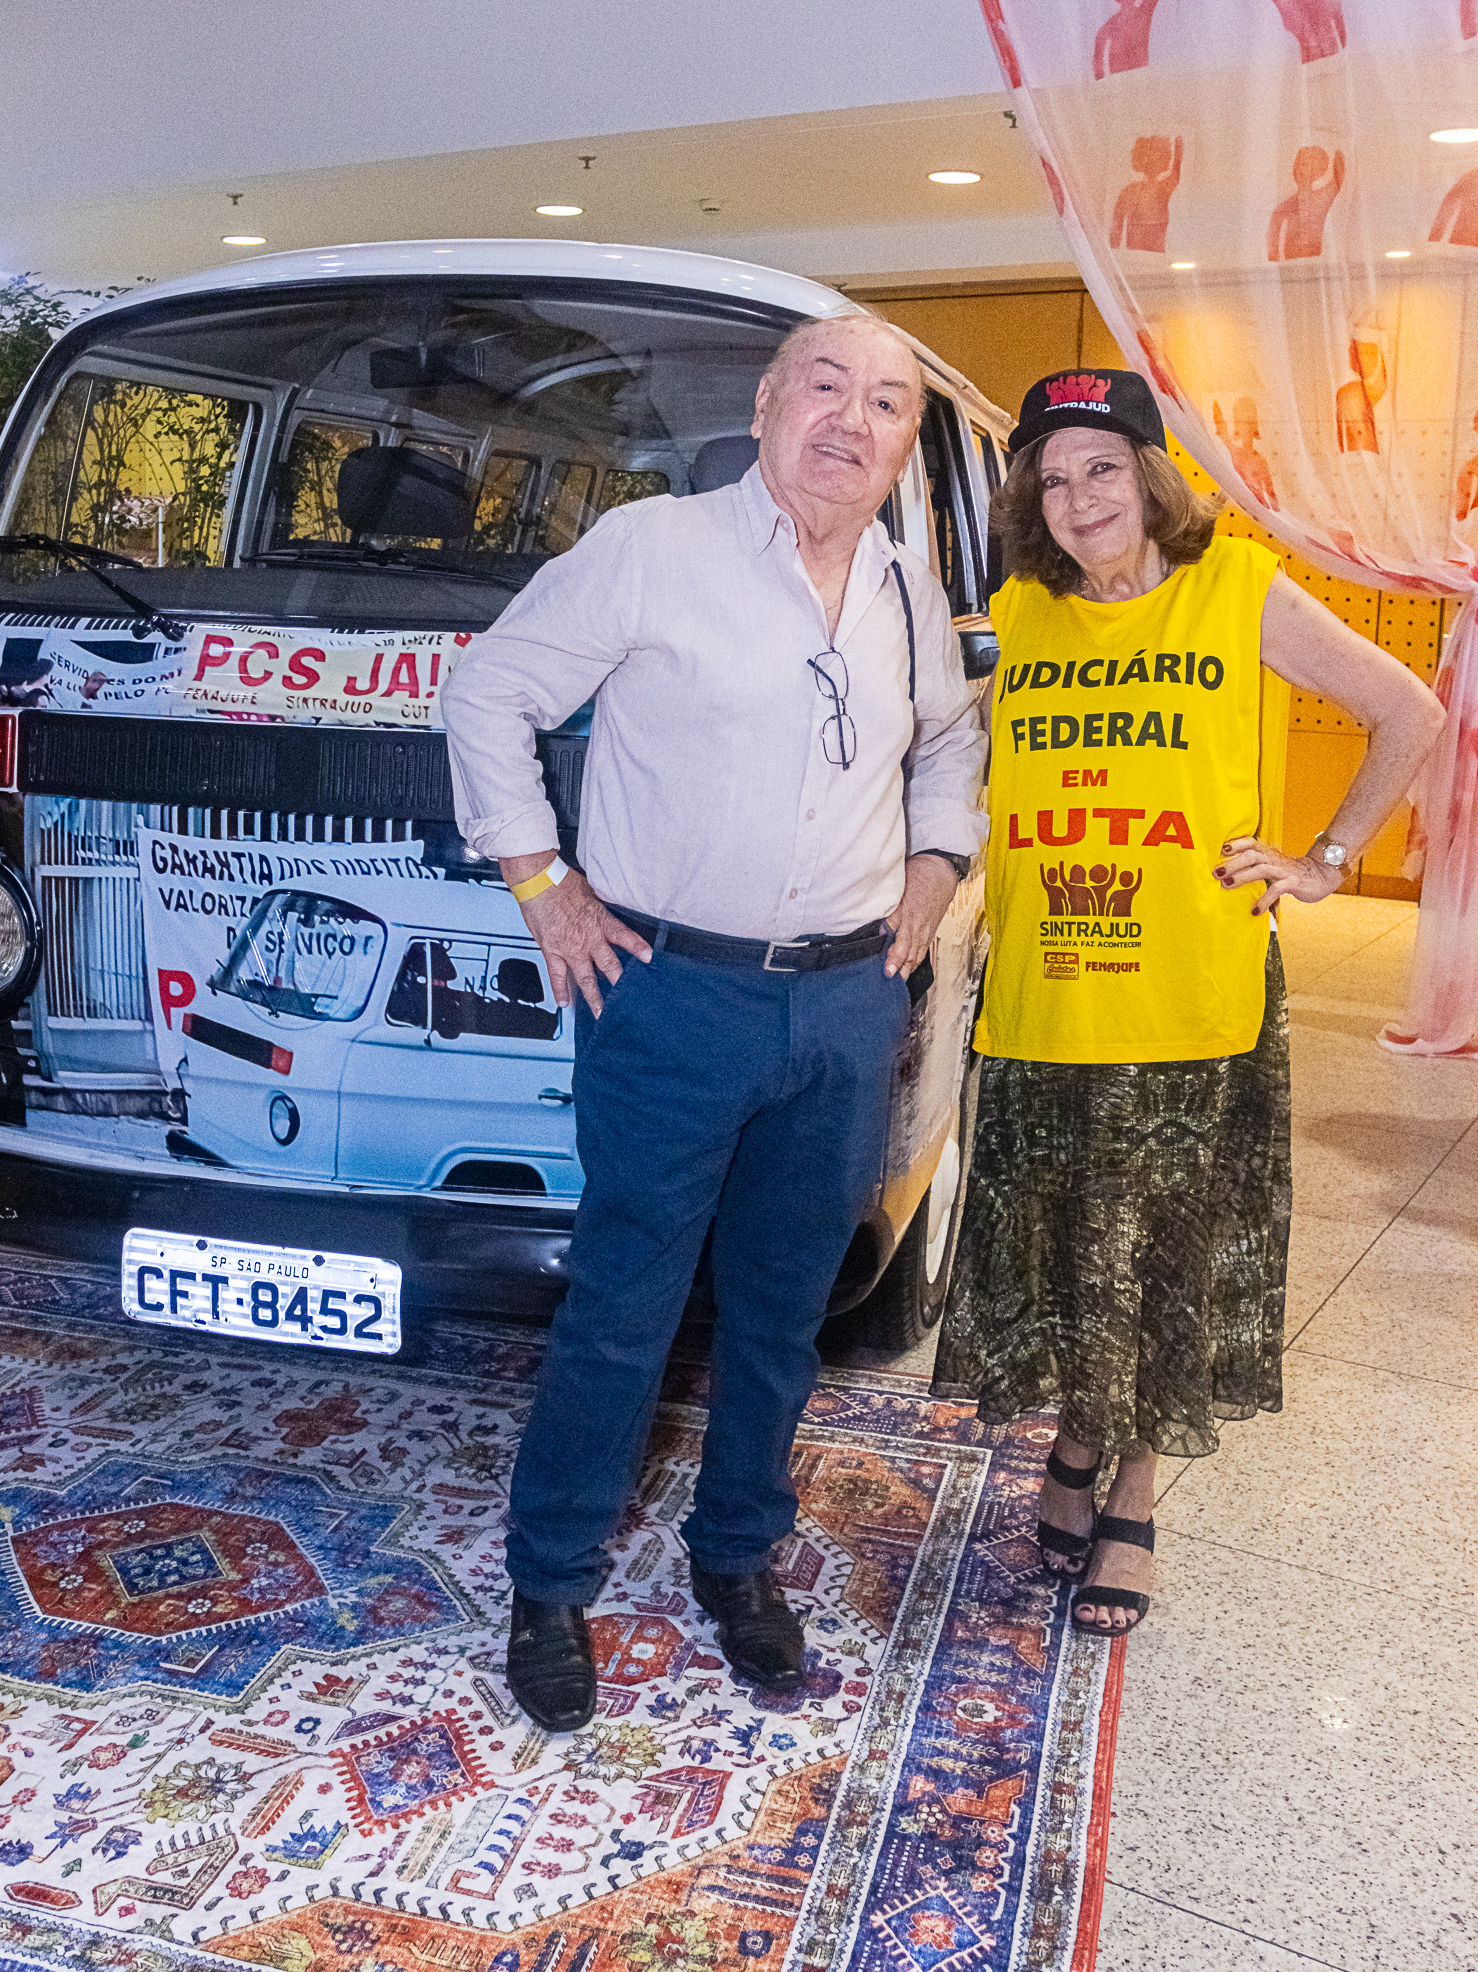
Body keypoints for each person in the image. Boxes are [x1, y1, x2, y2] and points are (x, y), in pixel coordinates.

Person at [443, 312, 988, 1729]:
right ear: (763, 406)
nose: (851, 420)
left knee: (782, 1315)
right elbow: (490, 690)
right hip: (669, 994)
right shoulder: (654, 548)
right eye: (826, 386)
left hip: (842, 1004)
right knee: (623, 1305)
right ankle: (549, 1580)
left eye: (886, 402)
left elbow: (949, 741)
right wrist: (541, 881)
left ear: (903, 443)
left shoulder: (906, 590)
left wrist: (935, 871)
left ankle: (737, 1555)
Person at [934, 368, 1443, 1636]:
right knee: (1064, 1239)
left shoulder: (1236, 589)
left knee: (1164, 1250)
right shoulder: (1018, 614)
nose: (1078, 497)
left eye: (1102, 467)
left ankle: (1133, 1486)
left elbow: (1408, 709)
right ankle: (1074, 1435)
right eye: (1052, 477)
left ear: (1153, 476)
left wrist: (1327, 859)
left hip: (1189, 992)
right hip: (1049, 991)